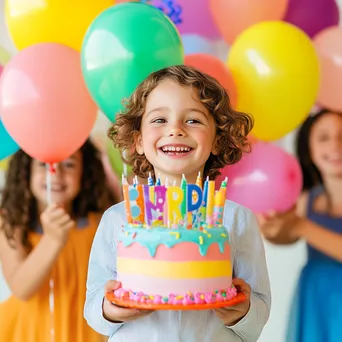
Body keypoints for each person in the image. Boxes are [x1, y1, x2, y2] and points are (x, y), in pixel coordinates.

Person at [84, 65, 271, 342]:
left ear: (217, 141)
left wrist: (243, 311)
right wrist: (110, 309)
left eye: (193, 120)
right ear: (138, 140)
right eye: (159, 120)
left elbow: (260, 308)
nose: (175, 130)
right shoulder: (118, 219)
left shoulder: (236, 219)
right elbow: (93, 307)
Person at [0, 139, 119, 342]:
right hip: (28, 332)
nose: (55, 174)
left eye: (70, 164)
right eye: (42, 164)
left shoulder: (99, 220)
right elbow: (21, 288)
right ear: (26, 170)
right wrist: (53, 240)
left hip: (85, 331)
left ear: (85, 172)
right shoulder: (11, 221)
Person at [258, 109, 342, 342]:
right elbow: (285, 236)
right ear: (309, 149)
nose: (335, 145)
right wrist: (271, 228)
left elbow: (298, 228)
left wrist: (300, 226)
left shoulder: (303, 217)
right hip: (317, 297)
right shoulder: (307, 199)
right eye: (324, 138)